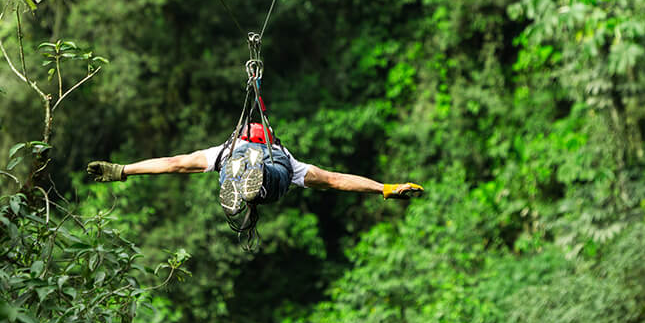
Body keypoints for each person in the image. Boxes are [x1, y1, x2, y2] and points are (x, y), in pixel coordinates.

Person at [86, 122, 423, 218]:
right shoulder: (289, 159)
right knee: (273, 182)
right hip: (271, 173)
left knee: (233, 171)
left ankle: (243, 182)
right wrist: (384, 187)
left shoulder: (220, 150)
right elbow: (337, 181)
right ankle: (251, 184)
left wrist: (123, 170)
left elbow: (172, 164)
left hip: (239, 162)